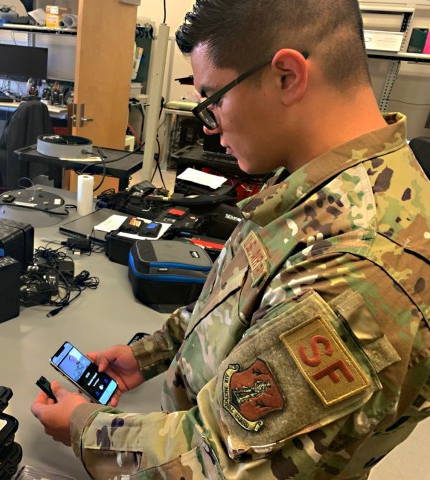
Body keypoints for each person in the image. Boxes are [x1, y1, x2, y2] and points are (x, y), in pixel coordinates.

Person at [31, 1, 430, 478]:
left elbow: (219, 464)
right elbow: (239, 301)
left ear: (286, 76)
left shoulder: (358, 270)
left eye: (213, 99)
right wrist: (151, 354)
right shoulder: (314, 183)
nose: (211, 127)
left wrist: (82, 426)